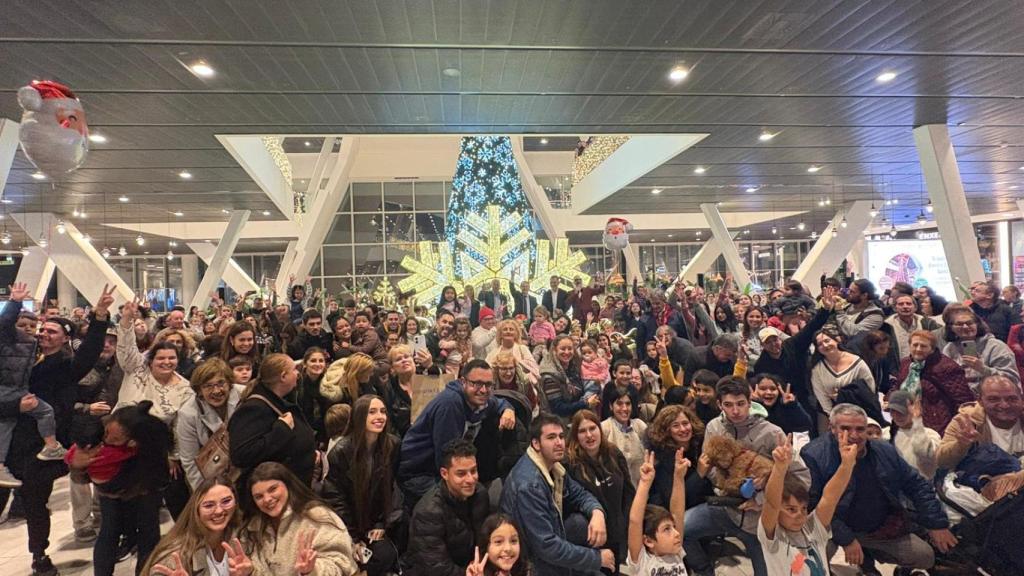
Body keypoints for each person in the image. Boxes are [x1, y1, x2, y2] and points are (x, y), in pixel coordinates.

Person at [1, 284, 111, 576]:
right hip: (9, 438)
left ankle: (39, 554)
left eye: (51, 331)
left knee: (35, 501)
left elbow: (89, 353)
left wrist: (100, 317)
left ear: (65, 339)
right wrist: (15, 407)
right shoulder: (18, 359)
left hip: (42, 446)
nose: (42, 334)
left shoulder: (66, 366)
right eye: (42, 329)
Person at [802, 404, 956, 574]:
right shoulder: (813, 455)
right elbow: (813, 506)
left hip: (878, 526)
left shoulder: (885, 450)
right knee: (812, 556)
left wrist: (936, 523)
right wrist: (846, 539)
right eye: (845, 428)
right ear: (831, 428)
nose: (853, 435)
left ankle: (871, 557)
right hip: (832, 528)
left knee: (924, 556)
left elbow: (916, 484)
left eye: (860, 429)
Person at [683, 377, 809, 576]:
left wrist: (761, 499)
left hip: (759, 520)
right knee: (680, 529)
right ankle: (705, 572)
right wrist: (731, 487)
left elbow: (801, 479)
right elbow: (712, 468)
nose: (735, 411)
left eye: (741, 404)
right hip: (725, 508)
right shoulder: (714, 427)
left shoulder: (771, 432)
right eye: (728, 405)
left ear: (750, 402)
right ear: (719, 405)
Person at [500, 413, 615, 576]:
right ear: (536, 444)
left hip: (546, 547)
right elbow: (546, 546)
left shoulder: (553, 466)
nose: (559, 443)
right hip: (530, 564)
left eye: (561, 436)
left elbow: (580, 494)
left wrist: (597, 513)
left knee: (580, 523)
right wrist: (596, 558)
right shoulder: (529, 485)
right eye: (551, 437)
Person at [67, 401, 172, 576]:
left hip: (144, 487)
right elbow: (81, 475)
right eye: (107, 433)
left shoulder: (150, 440)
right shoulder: (99, 431)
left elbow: (156, 478)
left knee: (148, 531)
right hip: (109, 490)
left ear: (132, 441)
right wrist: (78, 466)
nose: (107, 440)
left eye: (115, 439)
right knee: (109, 529)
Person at [398, 359, 515, 509]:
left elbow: (499, 402)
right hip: (420, 473)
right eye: (476, 383)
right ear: (463, 382)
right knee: (463, 502)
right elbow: (445, 456)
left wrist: (508, 410)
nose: (483, 390)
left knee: (479, 496)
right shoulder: (451, 403)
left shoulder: (480, 400)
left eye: (488, 385)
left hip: (447, 468)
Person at [117, 296, 195, 520]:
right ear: (150, 359)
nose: (166, 362)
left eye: (171, 358)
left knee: (156, 503)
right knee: (122, 505)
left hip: (157, 452)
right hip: (124, 443)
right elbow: (126, 350)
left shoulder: (184, 387)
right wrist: (126, 322)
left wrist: (173, 455)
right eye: (161, 358)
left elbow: (180, 424)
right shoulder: (137, 371)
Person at [226, 462, 357, 576]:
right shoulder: (252, 529)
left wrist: (311, 571)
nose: (267, 499)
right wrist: (249, 572)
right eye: (259, 496)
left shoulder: (317, 516)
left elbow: (343, 565)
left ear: (287, 485)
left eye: (273, 489)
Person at [758, 429, 855, 576]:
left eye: (803, 509)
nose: (799, 515)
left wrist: (846, 466)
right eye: (791, 509)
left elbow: (830, 498)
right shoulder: (773, 536)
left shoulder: (812, 528)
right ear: (778, 511)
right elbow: (771, 502)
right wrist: (779, 468)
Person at [323, 395, 401, 576]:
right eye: (372, 412)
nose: (379, 416)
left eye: (383, 411)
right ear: (359, 416)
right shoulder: (340, 452)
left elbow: (392, 488)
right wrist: (353, 538)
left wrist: (382, 523)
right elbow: (337, 499)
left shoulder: (392, 444)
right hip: (348, 523)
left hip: (376, 521)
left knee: (385, 555)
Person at [228, 353, 317, 491]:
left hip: (292, 488)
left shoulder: (277, 398)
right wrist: (281, 429)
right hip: (273, 492)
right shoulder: (254, 408)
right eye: (294, 369)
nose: (297, 374)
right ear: (283, 377)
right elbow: (242, 455)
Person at [405, 439, 491, 576]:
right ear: (444, 474)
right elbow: (435, 568)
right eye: (461, 474)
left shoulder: (479, 494)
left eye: (473, 471)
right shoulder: (428, 512)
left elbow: (483, 542)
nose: (470, 479)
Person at [566, 410, 634, 573]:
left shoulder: (613, 453)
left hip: (618, 532)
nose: (589, 435)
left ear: (599, 429)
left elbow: (628, 492)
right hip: (592, 537)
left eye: (592, 428)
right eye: (582, 431)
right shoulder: (570, 464)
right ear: (575, 436)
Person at [938, 375, 1024, 501]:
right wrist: (961, 445)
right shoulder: (966, 421)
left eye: (1012, 399)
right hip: (987, 500)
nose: (1004, 405)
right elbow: (942, 462)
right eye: (994, 399)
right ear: (980, 401)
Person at [752, 286, 836, 415]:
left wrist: (825, 310)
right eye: (768, 342)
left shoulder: (792, 344)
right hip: (780, 403)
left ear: (780, 339)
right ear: (762, 345)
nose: (773, 344)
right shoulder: (761, 365)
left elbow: (811, 328)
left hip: (806, 393)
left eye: (775, 340)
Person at [140, 477, 241, 576]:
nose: (219, 511)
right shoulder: (175, 556)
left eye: (226, 501)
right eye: (209, 505)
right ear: (196, 511)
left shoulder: (242, 535)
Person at [176, 358, 246, 490]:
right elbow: (190, 462)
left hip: (246, 469)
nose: (216, 391)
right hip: (211, 477)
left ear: (229, 383)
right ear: (199, 390)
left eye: (221, 383)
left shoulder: (244, 394)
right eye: (208, 386)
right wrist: (207, 493)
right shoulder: (188, 413)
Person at [892, 330, 972, 435]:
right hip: (905, 420)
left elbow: (963, 400)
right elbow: (898, 386)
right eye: (915, 345)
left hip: (937, 425)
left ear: (932, 349)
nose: (918, 349)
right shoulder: (906, 364)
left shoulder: (947, 367)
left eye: (923, 346)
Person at [627, 450, 689, 576]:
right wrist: (645, 483)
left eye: (673, 527)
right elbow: (635, 521)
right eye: (667, 529)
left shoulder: (675, 552)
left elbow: (678, 513)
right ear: (649, 541)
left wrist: (678, 477)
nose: (677, 533)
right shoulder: (643, 561)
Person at [809, 326, 875, 434]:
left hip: (860, 409)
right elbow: (822, 396)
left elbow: (869, 389)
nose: (825, 345)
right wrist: (834, 418)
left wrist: (843, 395)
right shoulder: (817, 369)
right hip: (830, 413)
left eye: (827, 340)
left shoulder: (857, 362)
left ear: (836, 340)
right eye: (820, 344)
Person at [645, 405, 709, 511]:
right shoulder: (663, 458)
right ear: (666, 431)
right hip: (674, 513)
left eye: (685, 423)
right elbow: (673, 501)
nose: (683, 429)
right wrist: (699, 474)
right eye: (675, 426)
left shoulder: (700, 446)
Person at [942, 305, 1020, 391]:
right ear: (951, 328)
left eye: (969, 323)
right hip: (961, 397)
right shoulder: (949, 349)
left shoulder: (996, 346)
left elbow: (1012, 379)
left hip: (995, 395)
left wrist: (983, 369)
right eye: (959, 324)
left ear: (977, 324)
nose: (965, 327)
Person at [882, 390, 940, 480]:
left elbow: (926, 456)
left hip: (921, 486)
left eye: (902, 412)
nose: (897, 416)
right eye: (893, 411)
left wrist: (917, 422)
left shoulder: (931, 435)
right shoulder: (884, 434)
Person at [601, 388, 648, 486]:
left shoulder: (640, 426)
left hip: (641, 489)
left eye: (628, 404)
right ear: (611, 406)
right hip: (615, 491)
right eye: (619, 404)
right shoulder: (604, 428)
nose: (624, 408)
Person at [885, 293, 942, 359]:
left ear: (915, 307)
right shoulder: (887, 326)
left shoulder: (927, 323)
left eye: (908, 304)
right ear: (894, 308)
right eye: (901, 304)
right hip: (900, 367)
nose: (905, 306)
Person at [486, 319, 540, 385]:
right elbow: (486, 370)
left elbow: (535, 369)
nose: (508, 331)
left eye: (511, 329)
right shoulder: (493, 352)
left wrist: (516, 363)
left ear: (516, 333)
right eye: (505, 329)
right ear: (500, 334)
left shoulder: (522, 349)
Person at [293, 347, 330, 442]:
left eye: (321, 361)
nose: (318, 364)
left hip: (324, 429)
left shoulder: (329, 382)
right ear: (305, 364)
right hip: (302, 430)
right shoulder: (296, 383)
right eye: (313, 361)